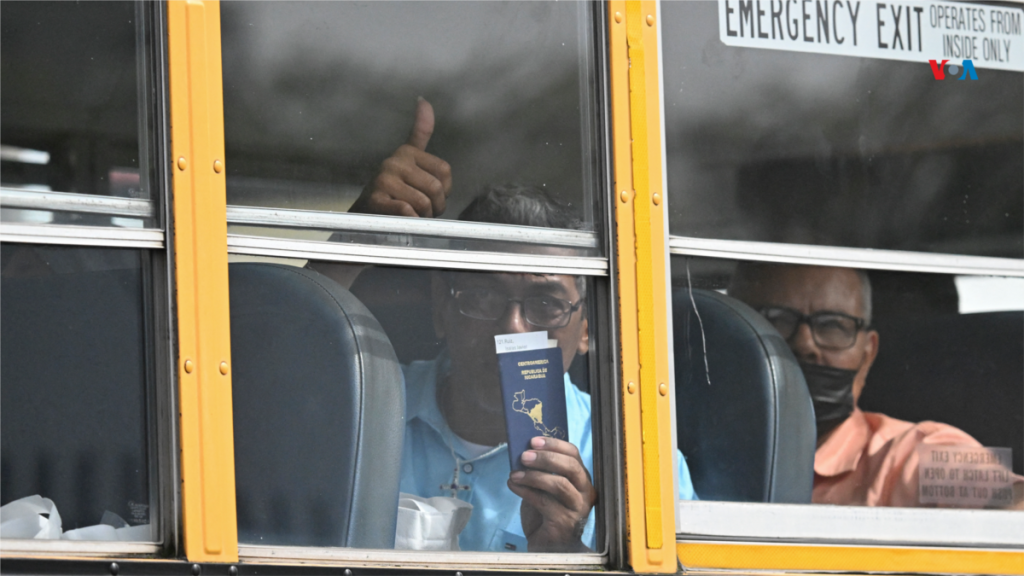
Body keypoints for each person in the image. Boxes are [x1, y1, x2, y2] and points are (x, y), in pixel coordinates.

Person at [314, 99, 697, 552]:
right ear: (442, 307)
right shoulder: (363, 411)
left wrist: (564, 550)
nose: (512, 330)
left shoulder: (639, 463)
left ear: (589, 327)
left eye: (546, 305)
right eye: (481, 297)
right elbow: (264, 385)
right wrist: (350, 243)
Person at [728, 262, 1022, 508]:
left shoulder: (908, 457)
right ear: (730, 337)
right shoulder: (688, 452)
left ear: (868, 355)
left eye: (833, 325)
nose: (805, 344)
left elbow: (1007, 504)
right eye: (776, 320)